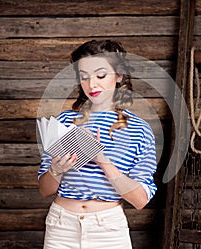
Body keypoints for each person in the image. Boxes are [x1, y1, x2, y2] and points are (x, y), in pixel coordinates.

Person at [38, 39, 157, 249]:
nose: (92, 85)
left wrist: (101, 159)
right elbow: (45, 190)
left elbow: (140, 200)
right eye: (84, 77)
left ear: (119, 75)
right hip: (60, 227)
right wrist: (57, 169)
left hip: (108, 231)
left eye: (100, 75)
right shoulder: (64, 122)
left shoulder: (139, 130)